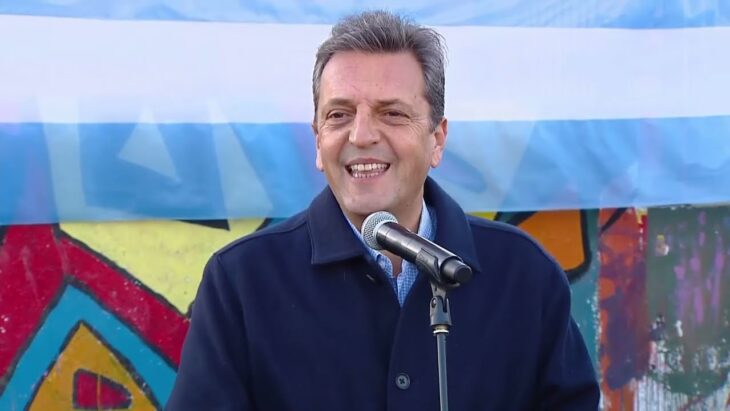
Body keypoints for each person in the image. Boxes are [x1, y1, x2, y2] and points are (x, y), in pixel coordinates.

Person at [167, 10, 599, 410]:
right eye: (339, 115)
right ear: (318, 140)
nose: (361, 135)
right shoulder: (241, 282)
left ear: (437, 139)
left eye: (392, 114)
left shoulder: (525, 275)